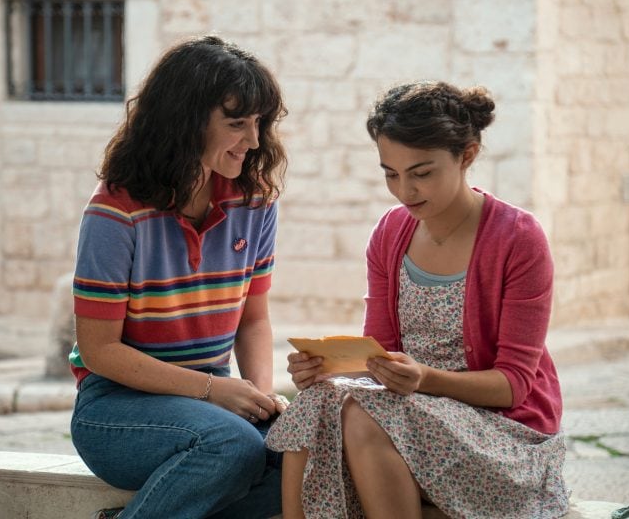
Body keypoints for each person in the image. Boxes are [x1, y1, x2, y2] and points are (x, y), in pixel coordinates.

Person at [266, 81, 570, 519]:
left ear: (466, 156)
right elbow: (381, 354)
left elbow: (513, 384)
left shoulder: (519, 239)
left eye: (422, 172)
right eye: (391, 173)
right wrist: (326, 366)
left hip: (504, 434)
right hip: (410, 413)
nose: (404, 191)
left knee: (362, 415)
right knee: (318, 400)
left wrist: (424, 379)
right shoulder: (390, 233)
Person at [68, 35, 290, 519]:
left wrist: (260, 396)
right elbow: (99, 350)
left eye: (258, 124)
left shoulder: (254, 203)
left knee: (308, 458)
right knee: (233, 446)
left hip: (214, 403)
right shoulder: (115, 213)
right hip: (115, 410)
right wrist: (215, 392)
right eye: (237, 124)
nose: (253, 141)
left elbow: (253, 320)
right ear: (186, 121)